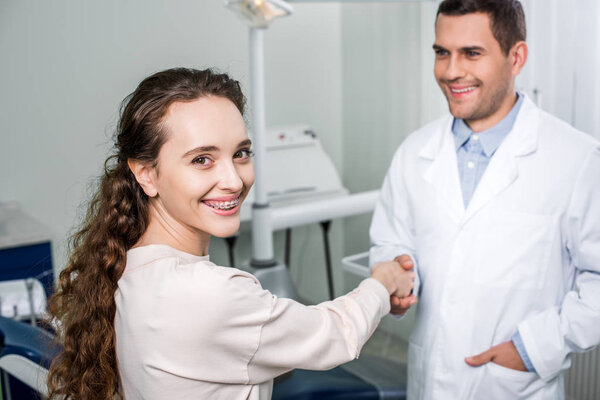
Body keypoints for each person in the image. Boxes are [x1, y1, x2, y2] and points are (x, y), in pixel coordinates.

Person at [46, 68, 415, 400]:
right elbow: (336, 335)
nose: (234, 180)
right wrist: (383, 282)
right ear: (147, 174)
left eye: (240, 153)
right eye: (202, 159)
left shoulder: (130, 266)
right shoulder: (208, 292)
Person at [370, 0, 600, 399]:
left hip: (516, 384)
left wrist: (532, 349)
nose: (451, 71)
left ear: (517, 57)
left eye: (471, 53)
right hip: (431, 380)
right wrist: (399, 274)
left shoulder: (577, 159)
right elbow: (391, 239)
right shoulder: (414, 152)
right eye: (442, 52)